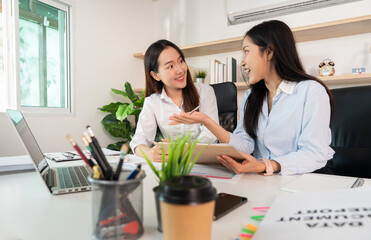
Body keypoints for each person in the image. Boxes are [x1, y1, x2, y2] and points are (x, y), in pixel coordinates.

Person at [168, 20, 335, 176]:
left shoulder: (311, 91)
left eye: (246, 51)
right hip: (264, 178)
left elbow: (314, 153)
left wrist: (266, 165)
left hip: (306, 178)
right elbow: (246, 145)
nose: (242, 62)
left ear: (268, 52)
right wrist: (207, 121)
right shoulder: (251, 97)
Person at [130, 39, 219, 162]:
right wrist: (149, 153)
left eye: (181, 61)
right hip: (173, 163)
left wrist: (182, 151)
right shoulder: (152, 102)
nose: (180, 70)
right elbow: (139, 138)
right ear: (156, 75)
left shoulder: (205, 92)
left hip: (203, 161)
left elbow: (211, 134)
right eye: (170, 66)